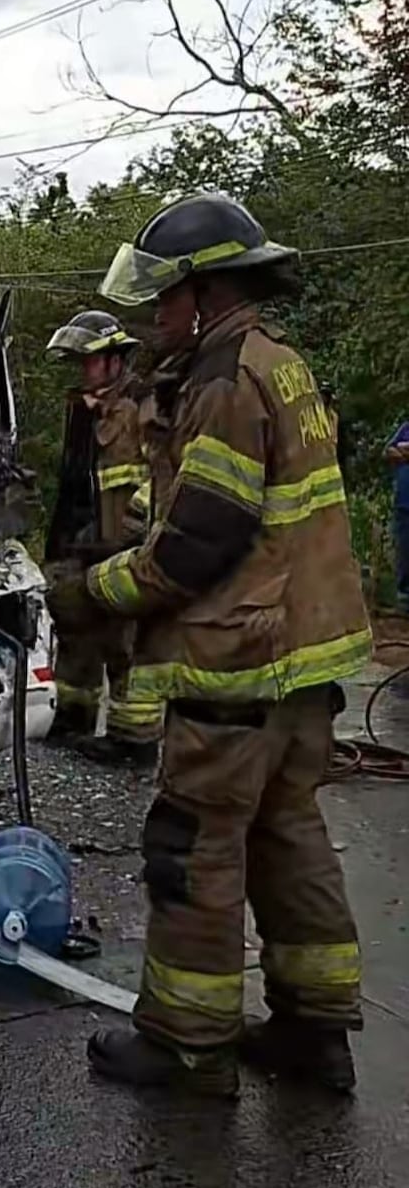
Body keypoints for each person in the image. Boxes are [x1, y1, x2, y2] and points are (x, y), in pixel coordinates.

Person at [60, 194, 370, 1097]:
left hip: (239, 659)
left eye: (164, 299)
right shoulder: (282, 364)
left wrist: (93, 592)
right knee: (289, 839)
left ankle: (188, 1043)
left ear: (204, 292)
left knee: (193, 842)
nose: (155, 318)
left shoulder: (226, 381)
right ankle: (316, 1036)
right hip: (300, 665)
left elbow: (202, 538)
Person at [43, 310, 163, 764]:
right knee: (77, 631)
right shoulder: (85, 410)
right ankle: (73, 717)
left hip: (124, 544)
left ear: (115, 360)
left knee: (126, 642)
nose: (82, 370)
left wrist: (134, 525)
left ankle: (133, 739)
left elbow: (167, 471)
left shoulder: (142, 404)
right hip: (83, 542)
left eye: (89, 361)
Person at [386, 420, 409, 614]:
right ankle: (404, 598)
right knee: (404, 549)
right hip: (403, 502)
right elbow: (389, 451)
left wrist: (403, 451)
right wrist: (402, 450)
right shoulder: (405, 428)